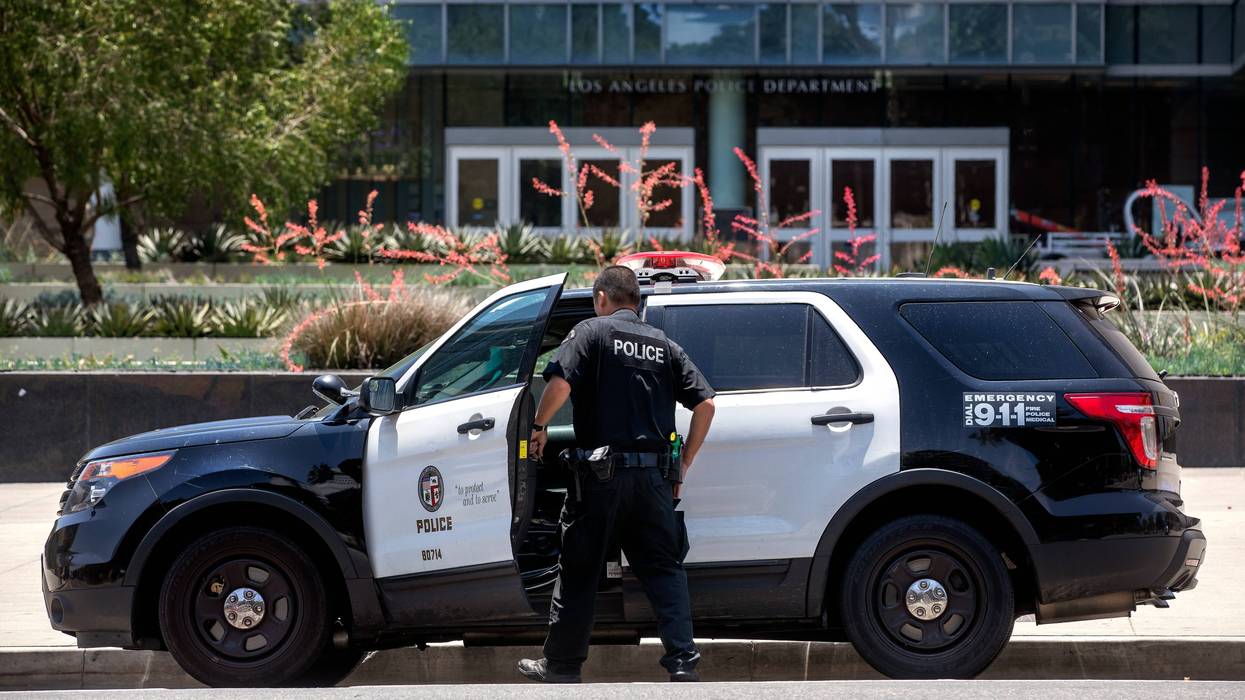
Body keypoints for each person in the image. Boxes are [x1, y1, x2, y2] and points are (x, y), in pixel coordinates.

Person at [517, 265, 716, 684]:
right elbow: (706, 405)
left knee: (579, 571)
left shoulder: (592, 332)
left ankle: (562, 666)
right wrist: (686, 461)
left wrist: (538, 427)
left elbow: (559, 384)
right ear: (637, 302)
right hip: (654, 481)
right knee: (664, 571)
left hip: (601, 479)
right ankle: (683, 664)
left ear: (603, 298)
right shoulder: (664, 345)